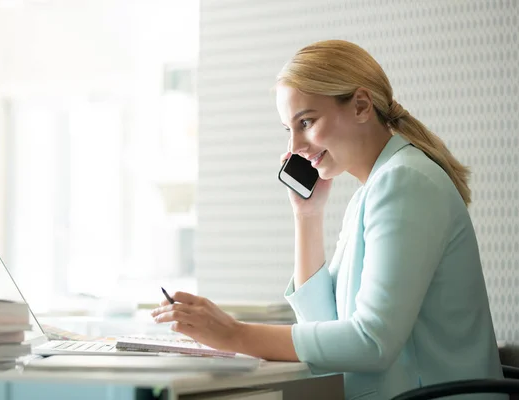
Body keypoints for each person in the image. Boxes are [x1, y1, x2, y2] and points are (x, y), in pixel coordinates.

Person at [151, 40, 504, 400]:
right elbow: (325, 325)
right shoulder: (374, 190)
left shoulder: (405, 182)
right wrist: (307, 214)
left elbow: (371, 342)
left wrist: (235, 334)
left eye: (306, 122)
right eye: (288, 129)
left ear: (361, 106)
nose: (295, 146)